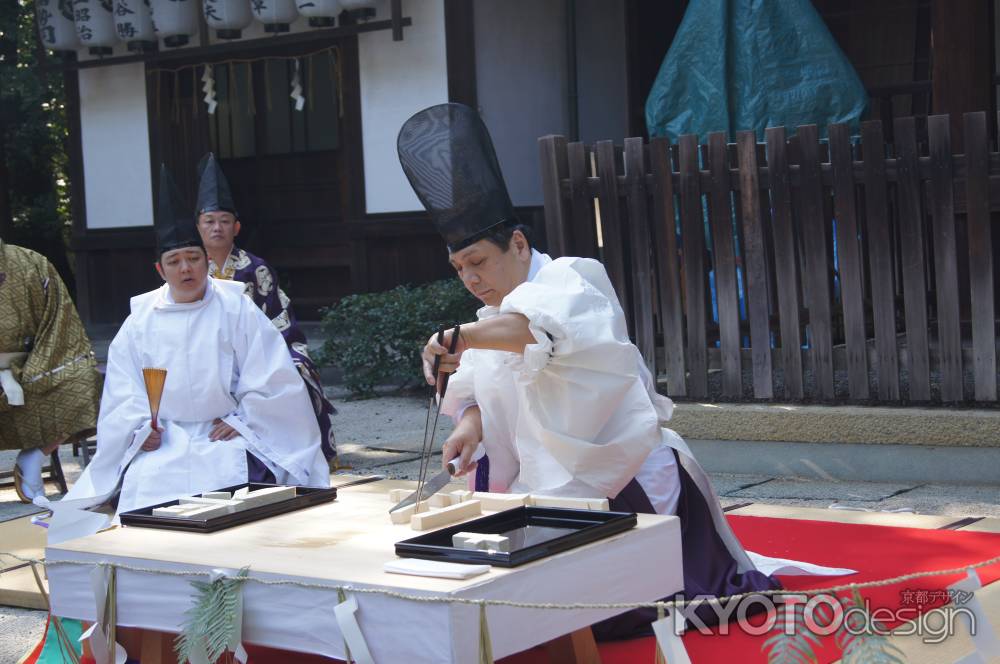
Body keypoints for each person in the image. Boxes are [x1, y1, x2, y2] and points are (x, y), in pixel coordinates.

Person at [400, 104, 851, 634]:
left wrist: (462, 337)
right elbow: (481, 386)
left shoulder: (573, 279)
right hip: (539, 485)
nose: (471, 279)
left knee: (602, 617)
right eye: (459, 269)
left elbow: (539, 330)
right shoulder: (492, 315)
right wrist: (470, 423)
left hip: (622, 478)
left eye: (478, 262)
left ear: (518, 243)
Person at [62, 165, 329, 517]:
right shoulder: (140, 320)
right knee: (147, 493)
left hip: (226, 430)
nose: (185, 269)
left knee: (241, 491)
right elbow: (123, 391)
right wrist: (141, 428)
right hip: (165, 434)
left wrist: (243, 420)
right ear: (160, 269)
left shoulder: (236, 308)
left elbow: (270, 376)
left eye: (193, 258)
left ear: (206, 261)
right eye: (174, 261)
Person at [194, 153, 337, 463]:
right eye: (209, 221)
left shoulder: (255, 268)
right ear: (198, 226)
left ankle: (293, 452)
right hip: (203, 358)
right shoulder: (190, 269)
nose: (217, 227)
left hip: (255, 356)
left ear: (237, 227)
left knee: (297, 371)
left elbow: (277, 318)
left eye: (224, 221)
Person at [0, 238, 100, 503]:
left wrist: (35, 368)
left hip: (30, 363)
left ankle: (34, 457)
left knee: (83, 381)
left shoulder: (31, 263)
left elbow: (60, 323)